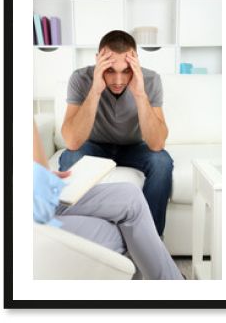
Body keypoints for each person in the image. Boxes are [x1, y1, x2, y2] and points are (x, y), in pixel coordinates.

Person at [33, 121, 183, 280]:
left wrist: (42, 175)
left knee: (130, 196)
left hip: (39, 196)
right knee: (130, 234)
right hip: (34, 214)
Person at [59, 30, 173, 236]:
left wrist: (139, 93)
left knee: (162, 162)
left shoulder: (150, 79)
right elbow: (72, 141)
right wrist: (95, 89)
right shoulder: (80, 78)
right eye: (110, 70)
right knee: (70, 156)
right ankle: (79, 237)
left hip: (133, 148)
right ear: (98, 61)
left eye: (126, 70)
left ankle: (149, 239)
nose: (118, 80)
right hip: (94, 145)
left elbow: (157, 144)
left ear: (135, 63)